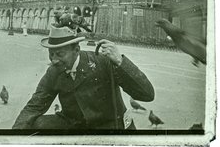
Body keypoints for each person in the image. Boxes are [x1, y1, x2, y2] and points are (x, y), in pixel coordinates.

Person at [12, 26, 155, 130]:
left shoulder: (102, 62)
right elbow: (34, 107)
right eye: (51, 54)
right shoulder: (54, 72)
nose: (54, 60)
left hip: (110, 126)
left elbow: (147, 94)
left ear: (76, 50)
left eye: (60, 54)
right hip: (76, 125)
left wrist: (120, 61)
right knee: (38, 124)